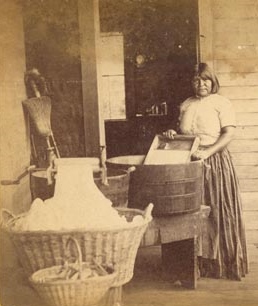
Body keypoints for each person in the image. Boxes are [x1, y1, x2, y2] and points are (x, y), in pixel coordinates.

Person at [164, 62, 248, 280]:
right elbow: (183, 132)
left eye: (206, 80)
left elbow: (228, 134)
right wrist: (172, 133)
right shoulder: (186, 104)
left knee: (217, 210)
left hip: (215, 162)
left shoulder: (221, 103)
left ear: (213, 82)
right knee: (191, 212)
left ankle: (220, 265)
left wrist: (208, 152)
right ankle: (196, 266)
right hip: (188, 162)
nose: (201, 84)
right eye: (197, 80)